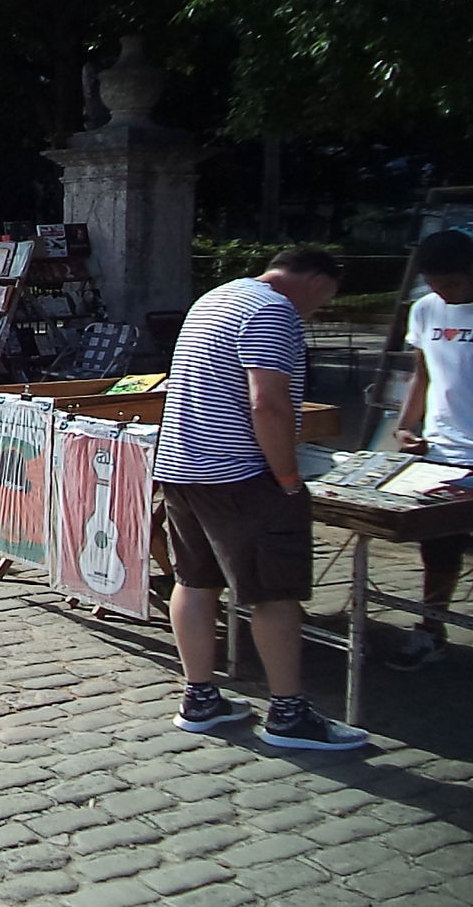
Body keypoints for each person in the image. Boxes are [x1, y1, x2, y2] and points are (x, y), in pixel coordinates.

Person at [156, 247, 367, 751]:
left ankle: (200, 697)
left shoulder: (217, 297)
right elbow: (267, 402)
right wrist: (288, 476)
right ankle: (288, 714)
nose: (316, 312)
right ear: (317, 281)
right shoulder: (274, 311)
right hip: (240, 474)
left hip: (183, 464)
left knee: (195, 580)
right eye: (324, 300)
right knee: (274, 593)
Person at [391, 229, 473, 670]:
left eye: (454, 284)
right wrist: (406, 425)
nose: (444, 292)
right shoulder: (425, 309)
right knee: (439, 547)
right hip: (443, 450)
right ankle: (431, 627)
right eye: (436, 284)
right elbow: (421, 374)